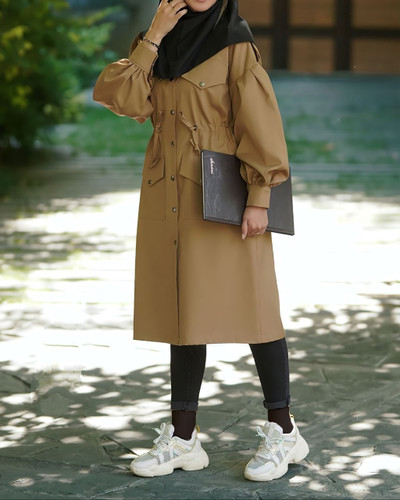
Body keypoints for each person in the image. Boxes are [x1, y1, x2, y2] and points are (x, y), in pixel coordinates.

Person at [93, 0, 309, 482]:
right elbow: (122, 99)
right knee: (182, 312)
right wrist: (153, 37)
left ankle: (284, 431)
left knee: (256, 308)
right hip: (168, 195)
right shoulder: (158, 41)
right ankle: (184, 438)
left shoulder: (235, 44)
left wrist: (260, 197)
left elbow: (259, 121)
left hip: (226, 197)